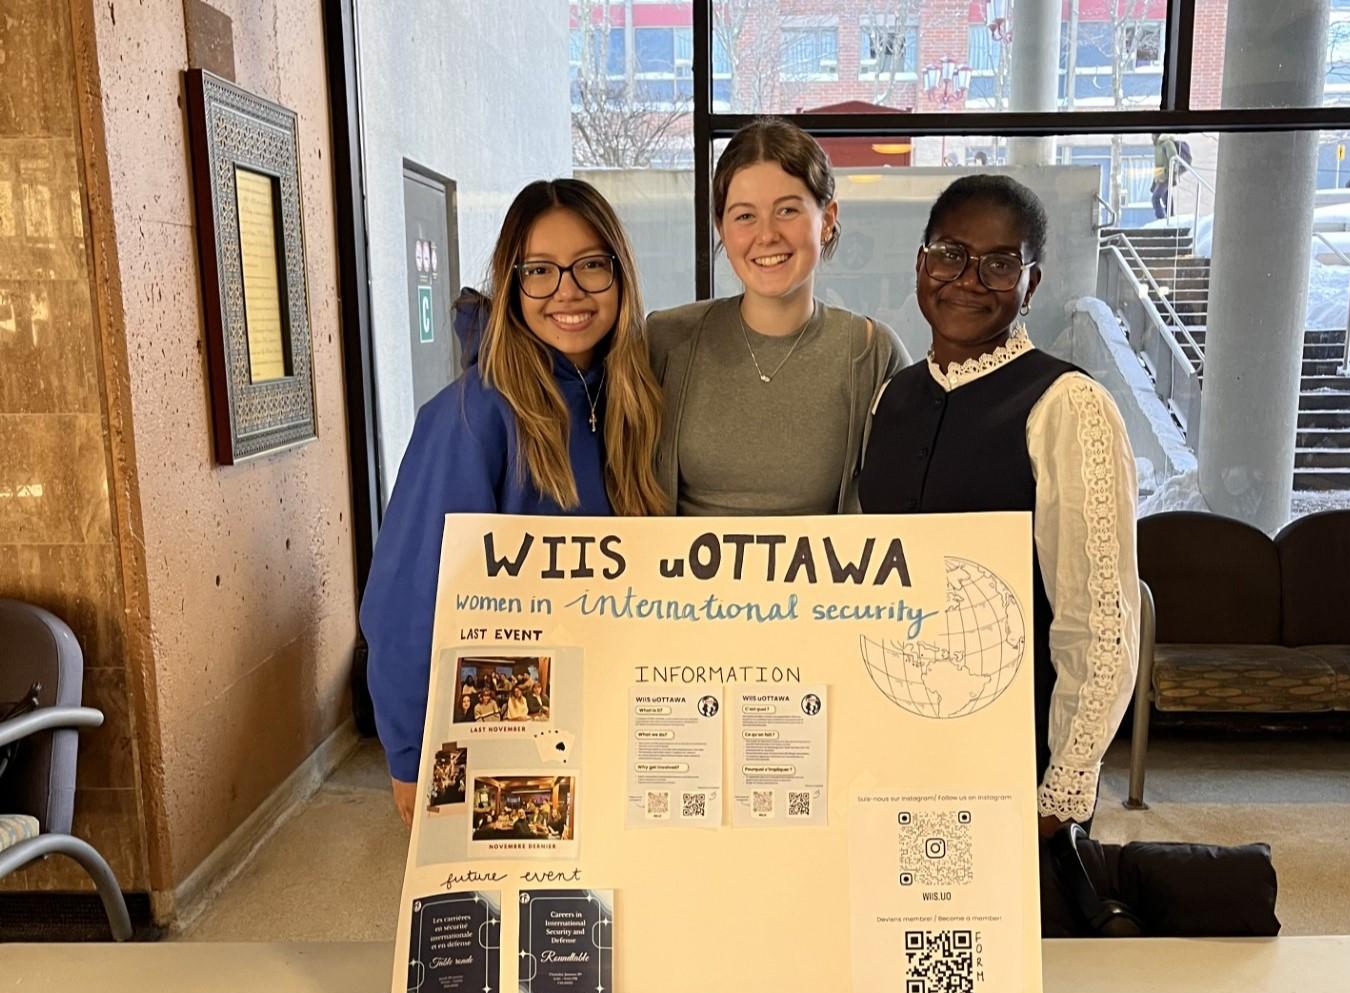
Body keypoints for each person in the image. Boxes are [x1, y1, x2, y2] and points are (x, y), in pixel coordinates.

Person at [361, 179, 667, 826]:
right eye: (540, 271)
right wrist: (414, 760)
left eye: (590, 265)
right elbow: (407, 602)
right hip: (506, 734)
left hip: (619, 725)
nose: (568, 291)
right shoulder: (472, 417)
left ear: (620, 273)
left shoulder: (630, 403)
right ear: (512, 282)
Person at [858, 174, 1141, 837]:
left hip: (1015, 758)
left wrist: (1062, 789)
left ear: (1031, 284)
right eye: (950, 253)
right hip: (896, 745)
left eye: (999, 263)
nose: (968, 279)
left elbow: (1098, 622)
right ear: (922, 263)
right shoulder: (890, 398)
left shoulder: (1069, 405)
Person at [648, 117, 910, 515]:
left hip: (826, 579)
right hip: (679, 578)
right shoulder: (666, 342)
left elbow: (911, 499)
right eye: (744, 216)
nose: (766, 235)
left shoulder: (871, 353)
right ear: (721, 227)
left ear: (828, 219)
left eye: (787, 210)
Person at [1151, 133, 1179, 219]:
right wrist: (1154, 180)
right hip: (1160, 177)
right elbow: (1158, 165)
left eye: (1153, 135)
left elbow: (1174, 158)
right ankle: (1170, 217)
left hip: (1166, 176)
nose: (1151, 137)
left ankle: (1161, 218)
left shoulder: (1167, 143)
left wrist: (1172, 173)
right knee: (1166, 198)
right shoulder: (1157, 146)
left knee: (1155, 198)